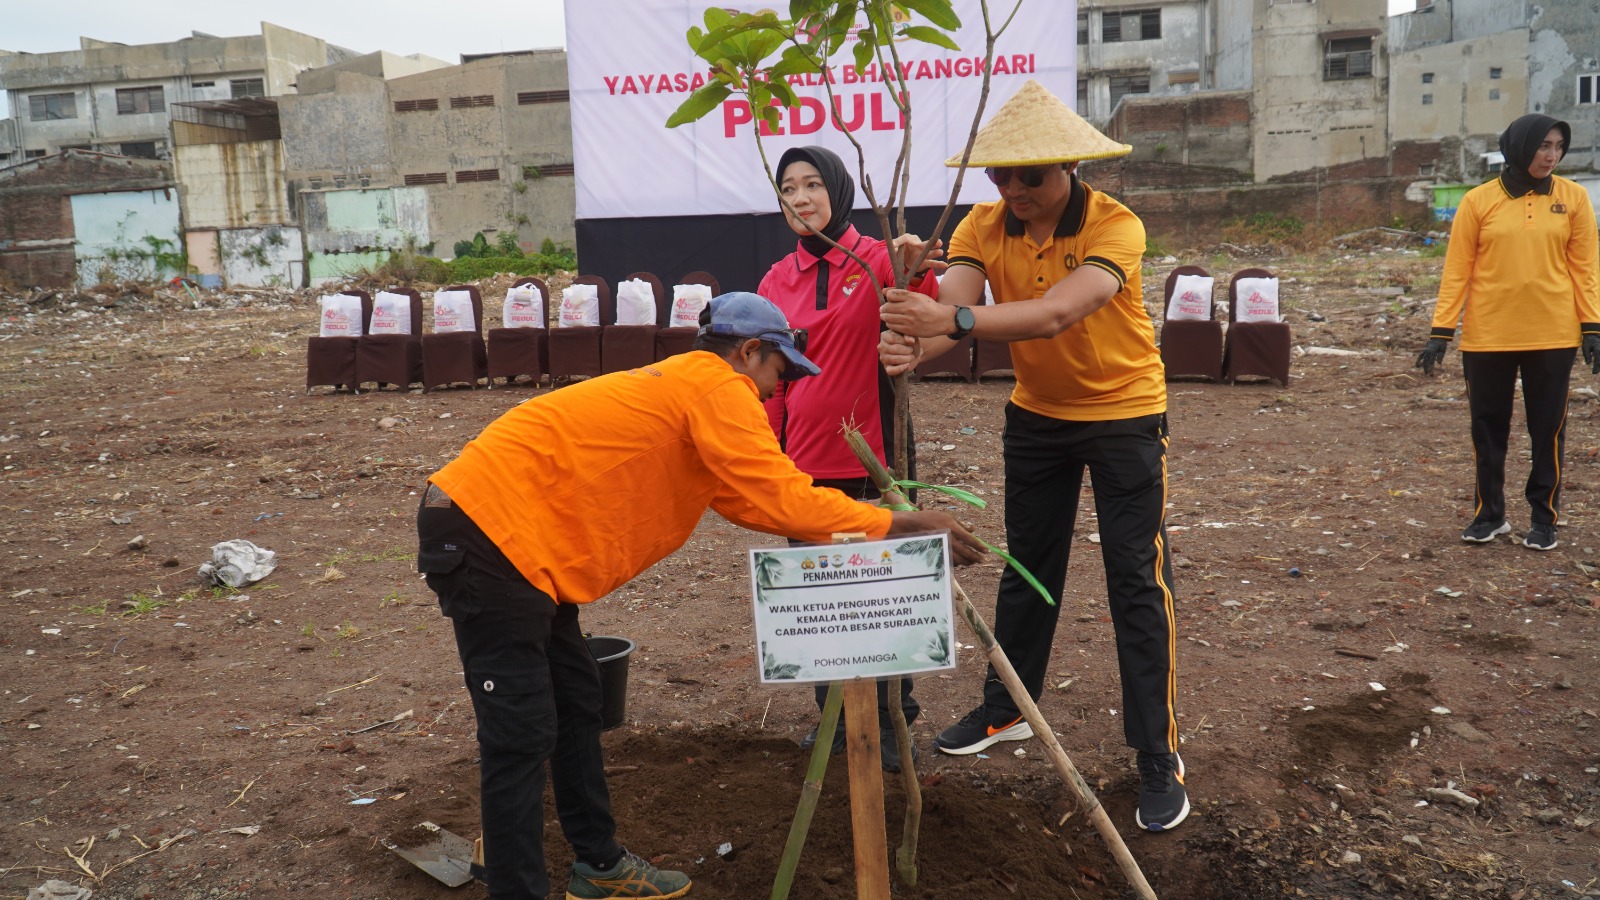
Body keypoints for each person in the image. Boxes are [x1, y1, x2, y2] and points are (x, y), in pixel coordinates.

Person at [417, 292, 985, 900]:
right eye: (780, 371)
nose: (779, 390)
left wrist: (868, 519)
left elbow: (744, 499)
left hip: (522, 549)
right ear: (748, 352)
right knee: (520, 732)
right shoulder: (718, 386)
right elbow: (778, 494)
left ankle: (599, 865)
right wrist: (909, 525)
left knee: (577, 701)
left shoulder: (687, 390)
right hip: (488, 536)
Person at [876, 80, 1189, 832]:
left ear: (1070, 169)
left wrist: (944, 315)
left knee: (1134, 581)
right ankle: (1003, 710)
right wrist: (913, 342)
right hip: (1038, 418)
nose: (1012, 190)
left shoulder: (1117, 226)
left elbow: (1054, 314)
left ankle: (1158, 754)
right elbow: (955, 313)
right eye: (1000, 175)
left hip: (1123, 415)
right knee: (1027, 568)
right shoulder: (985, 225)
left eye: (1030, 176)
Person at [759, 145, 944, 772]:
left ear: (838, 189)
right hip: (802, 467)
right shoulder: (775, 281)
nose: (802, 197)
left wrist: (916, 269)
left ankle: (894, 723)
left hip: (877, 460)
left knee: (885, 592)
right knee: (819, 601)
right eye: (789, 188)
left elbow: (921, 304)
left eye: (813, 184)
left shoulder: (876, 260)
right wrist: (771, 457)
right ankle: (834, 719)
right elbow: (771, 380)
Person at [1416, 113, 1600, 552]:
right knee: (1487, 429)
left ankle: (1544, 518)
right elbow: (1457, 268)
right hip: (1488, 336)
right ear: (1519, 146)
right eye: (1542, 146)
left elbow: (1585, 267)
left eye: (1557, 146)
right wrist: (1440, 331)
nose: (1550, 155)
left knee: (1547, 430)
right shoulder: (1479, 201)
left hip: (1553, 336)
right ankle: (1490, 515)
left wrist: (1592, 326)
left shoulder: (1573, 199)